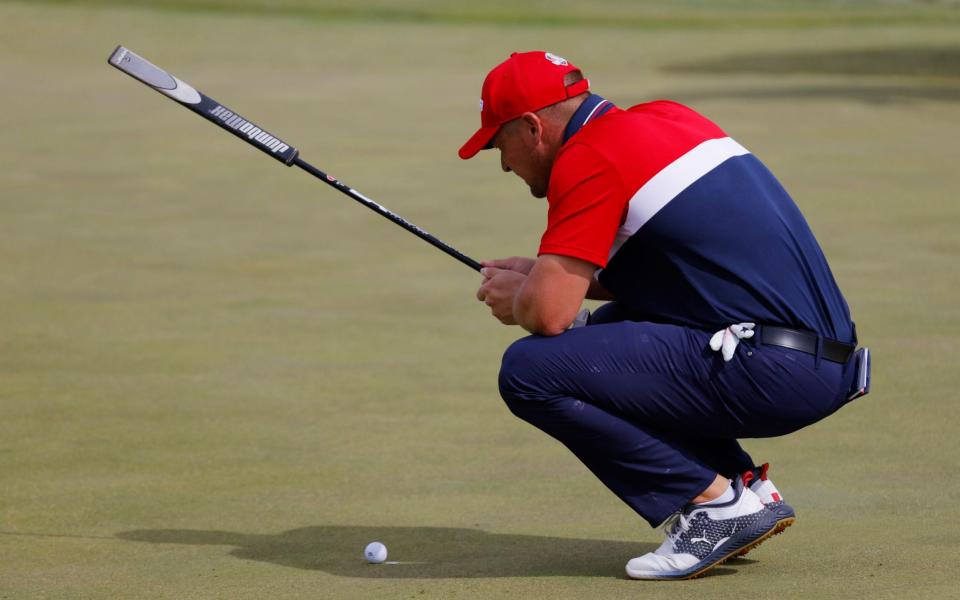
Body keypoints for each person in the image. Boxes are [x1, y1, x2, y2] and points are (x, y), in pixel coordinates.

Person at [459, 51, 867, 580]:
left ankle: (716, 507)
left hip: (774, 369)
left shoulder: (589, 157)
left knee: (529, 371)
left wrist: (522, 300)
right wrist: (542, 275)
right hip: (813, 358)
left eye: (500, 144)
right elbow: (677, 272)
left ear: (532, 127)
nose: (504, 164)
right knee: (597, 333)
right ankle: (744, 486)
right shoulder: (666, 120)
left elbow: (549, 318)